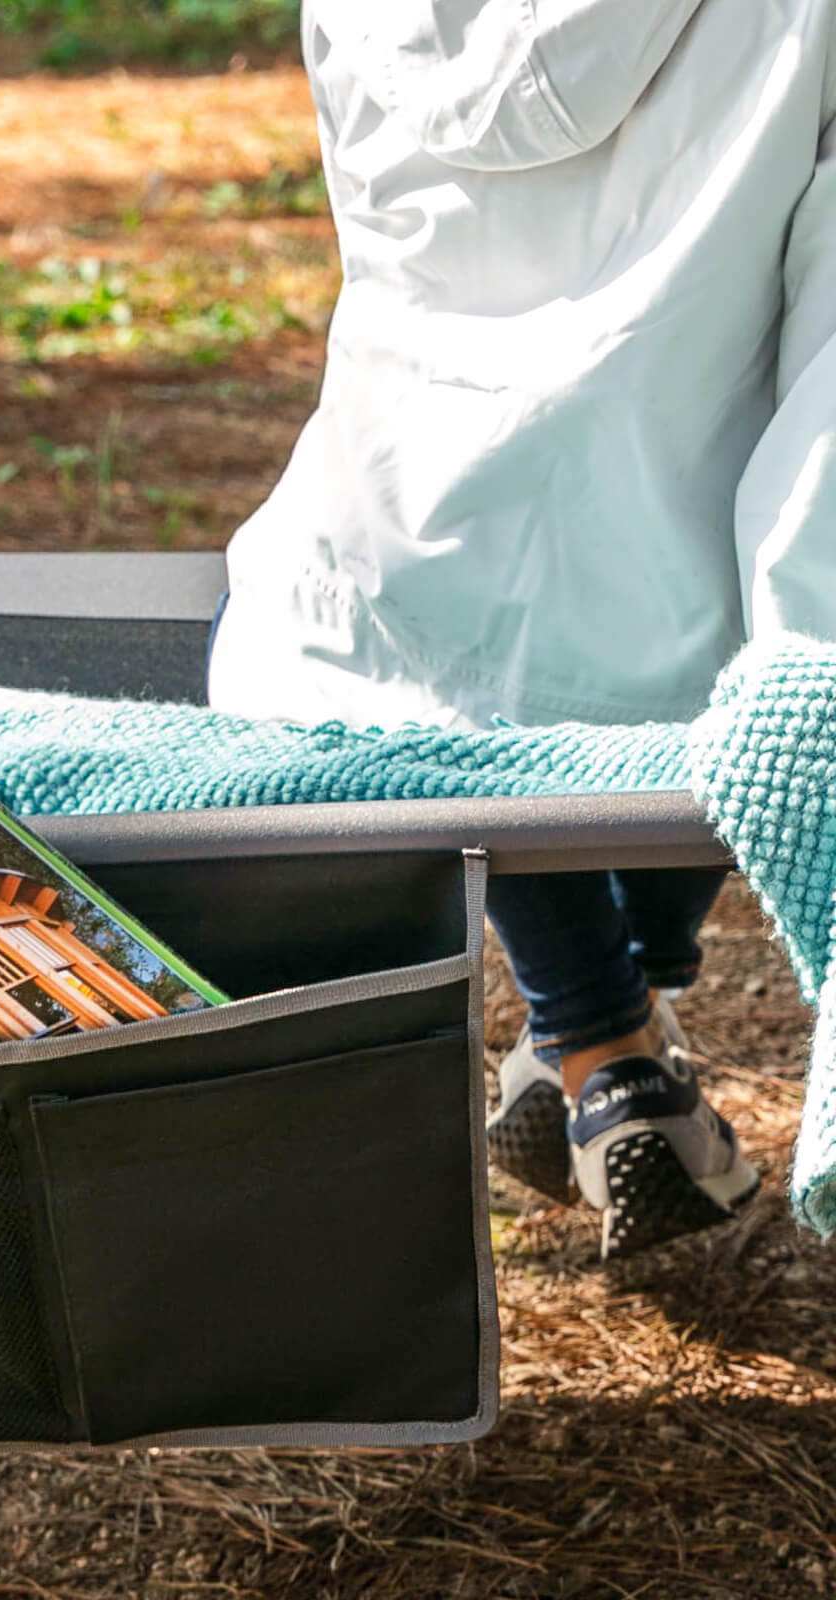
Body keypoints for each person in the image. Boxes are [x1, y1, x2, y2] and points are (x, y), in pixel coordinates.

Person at [209, 0, 836, 1257]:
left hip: (390, 533)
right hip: (678, 554)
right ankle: (614, 1043)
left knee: (459, 676)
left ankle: (602, 1042)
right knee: (737, 638)